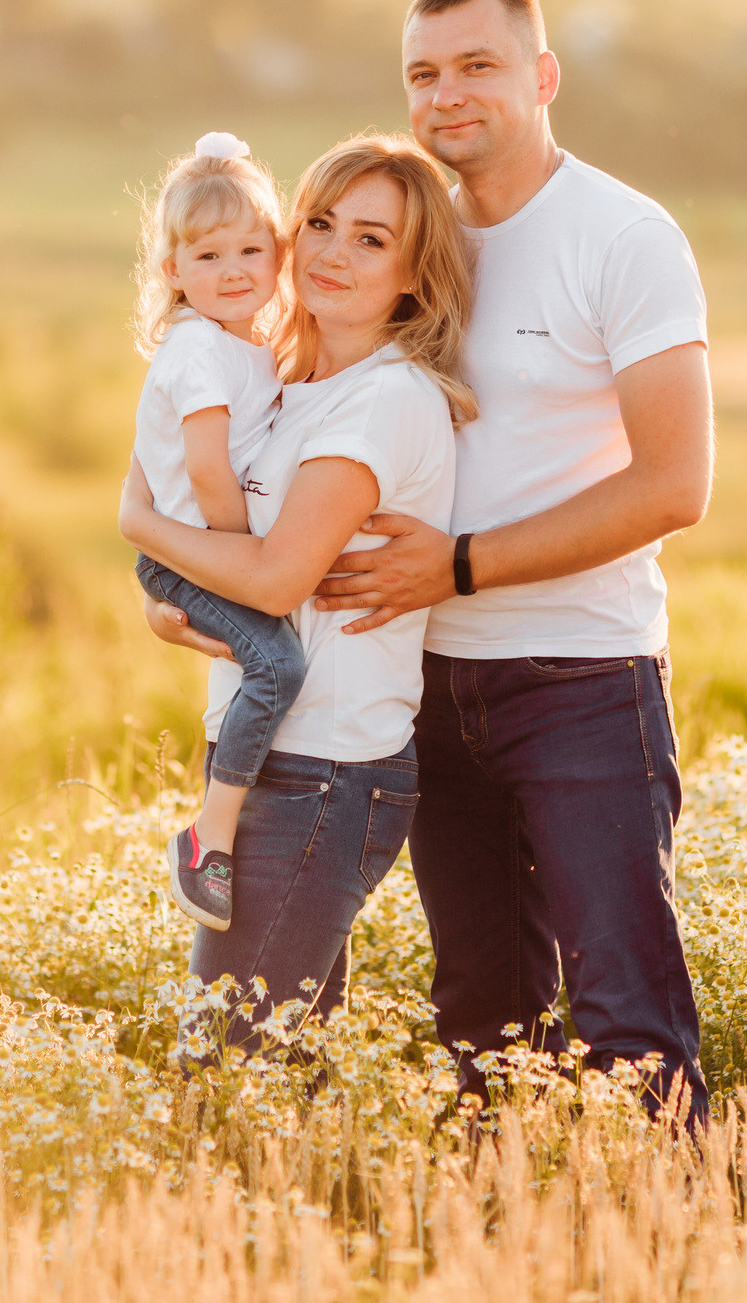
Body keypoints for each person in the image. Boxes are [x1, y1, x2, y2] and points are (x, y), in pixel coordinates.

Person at [147, 0, 716, 1120]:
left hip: (580, 676)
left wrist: (457, 565)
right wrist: (198, 599)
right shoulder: (404, 228)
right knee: (485, 1015)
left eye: (477, 65)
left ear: (541, 76)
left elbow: (675, 484)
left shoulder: (622, 236)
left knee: (626, 1016)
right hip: (422, 688)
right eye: (422, 72)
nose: (447, 93)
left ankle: (683, 1247)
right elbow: (275, 469)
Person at [120, 133, 478, 1047]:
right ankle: (322, 1192)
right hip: (274, 756)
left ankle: (223, 1193)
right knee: (281, 1061)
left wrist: (144, 531)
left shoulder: (385, 399)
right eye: (318, 222)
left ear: (412, 274)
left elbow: (275, 578)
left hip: (324, 768)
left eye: (370, 239)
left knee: (231, 1061)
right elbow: (189, 495)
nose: (329, 251)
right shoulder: (283, 383)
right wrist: (173, 606)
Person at [125, 132, 305, 931]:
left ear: (278, 254)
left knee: (256, 655)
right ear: (172, 271)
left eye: (249, 249)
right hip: (191, 558)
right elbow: (204, 470)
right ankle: (210, 834)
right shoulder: (198, 348)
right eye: (206, 257)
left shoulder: (251, 343)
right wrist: (246, 558)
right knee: (277, 663)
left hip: (201, 556)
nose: (232, 270)